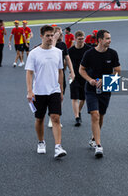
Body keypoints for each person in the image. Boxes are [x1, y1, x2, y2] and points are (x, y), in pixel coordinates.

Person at [25, 25, 67, 159]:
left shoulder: (58, 52)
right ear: (41, 36)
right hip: (39, 92)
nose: (50, 38)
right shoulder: (34, 53)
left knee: (55, 118)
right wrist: (30, 91)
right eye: (47, 35)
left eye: (52, 35)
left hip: (54, 90)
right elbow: (29, 73)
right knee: (39, 119)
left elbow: (60, 71)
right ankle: (41, 142)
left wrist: (61, 90)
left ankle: (58, 147)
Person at [79, 29, 121, 158]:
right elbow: (81, 70)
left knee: (101, 116)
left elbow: (118, 71)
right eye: (107, 38)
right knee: (95, 115)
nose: (110, 40)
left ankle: (93, 138)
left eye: (109, 38)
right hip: (91, 88)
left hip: (106, 87)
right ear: (100, 40)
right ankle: (98, 145)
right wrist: (90, 80)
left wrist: (106, 79)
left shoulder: (113, 53)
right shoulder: (89, 54)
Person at [47, 26, 75, 128]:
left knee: (60, 97)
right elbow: (51, 53)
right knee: (51, 96)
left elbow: (67, 58)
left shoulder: (63, 45)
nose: (61, 35)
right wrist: (54, 39)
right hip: (50, 73)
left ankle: (56, 117)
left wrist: (72, 72)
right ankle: (51, 117)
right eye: (58, 33)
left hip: (60, 74)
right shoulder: (49, 44)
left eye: (61, 34)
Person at [68, 30, 91, 126]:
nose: (81, 41)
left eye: (83, 39)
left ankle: (79, 111)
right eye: (79, 39)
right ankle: (77, 117)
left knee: (83, 98)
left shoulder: (88, 49)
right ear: (75, 39)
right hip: (74, 76)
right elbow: (66, 62)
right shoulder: (70, 50)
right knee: (74, 97)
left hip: (85, 76)